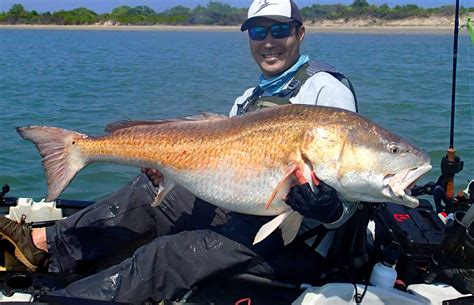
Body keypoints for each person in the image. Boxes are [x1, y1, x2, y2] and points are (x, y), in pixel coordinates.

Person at [0, 0, 357, 303]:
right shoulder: (248, 99)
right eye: (258, 32)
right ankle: (39, 246)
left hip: (295, 242)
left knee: (169, 254)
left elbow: (353, 189)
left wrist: (330, 209)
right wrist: (170, 171)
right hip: (245, 211)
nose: (268, 42)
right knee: (145, 193)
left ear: (300, 33)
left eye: (279, 31)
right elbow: (224, 165)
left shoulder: (325, 90)